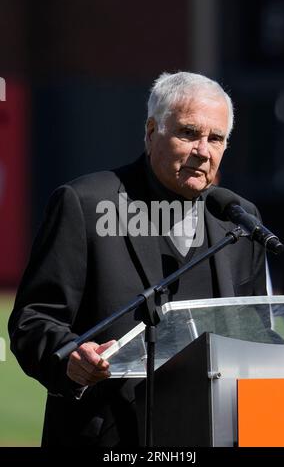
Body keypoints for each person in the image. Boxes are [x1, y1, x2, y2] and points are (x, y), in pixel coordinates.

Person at [8, 71, 267, 447]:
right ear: (151, 131)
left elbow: (257, 332)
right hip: (110, 437)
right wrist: (71, 359)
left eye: (216, 138)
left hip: (215, 433)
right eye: (189, 133)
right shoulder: (86, 205)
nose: (203, 150)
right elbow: (32, 321)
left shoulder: (240, 219)